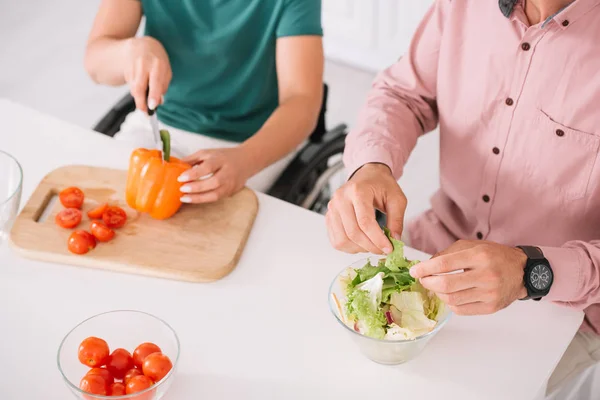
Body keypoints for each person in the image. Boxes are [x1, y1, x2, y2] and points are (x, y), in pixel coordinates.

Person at [326, 0, 600, 397]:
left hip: (564, 306)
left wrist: (529, 272)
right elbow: (403, 94)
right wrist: (370, 166)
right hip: (436, 250)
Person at [84, 0, 324, 202]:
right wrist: (130, 51)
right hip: (158, 125)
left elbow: (302, 99)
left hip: (252, 144)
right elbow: (95, 64)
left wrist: (245, 159)